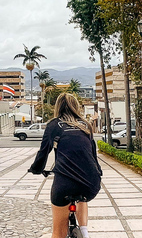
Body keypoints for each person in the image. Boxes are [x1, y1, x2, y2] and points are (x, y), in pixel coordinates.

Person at [29, 93, 102, 238]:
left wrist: (36, 169)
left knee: (58, 232)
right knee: (82, 197)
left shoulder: (54, 125)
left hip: (65, 184)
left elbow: (43, 152)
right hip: (91, 182)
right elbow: (92, 154)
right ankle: (85, 233)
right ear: (76, 107)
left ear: (58, 107)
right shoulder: (85, 125)